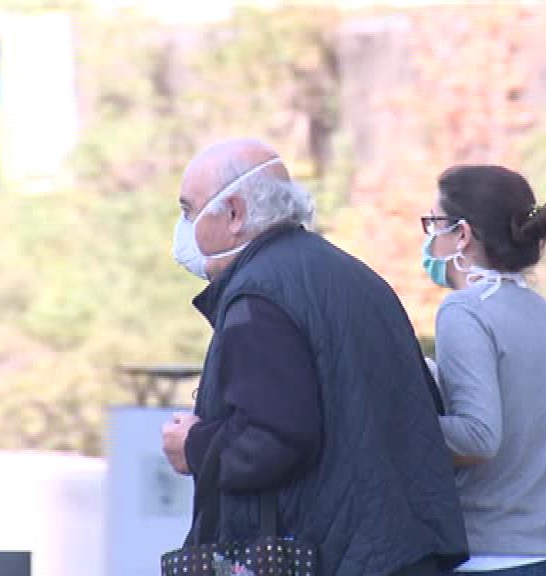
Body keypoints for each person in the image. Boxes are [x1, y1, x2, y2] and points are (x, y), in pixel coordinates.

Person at [160, 138, 469, 575]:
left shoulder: (257, 297)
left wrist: (194, 445)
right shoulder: (349, 274)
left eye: (189, 210)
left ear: (234, 214)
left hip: (332, 556)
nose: (184, 228)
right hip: (400, 548)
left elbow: (275, 437)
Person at [421, 165, 546, 576]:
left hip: (497, 558)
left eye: (434, 223)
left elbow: (478, 438)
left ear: (462, 234)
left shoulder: (465, 311)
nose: (429, 238)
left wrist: (395, 419)